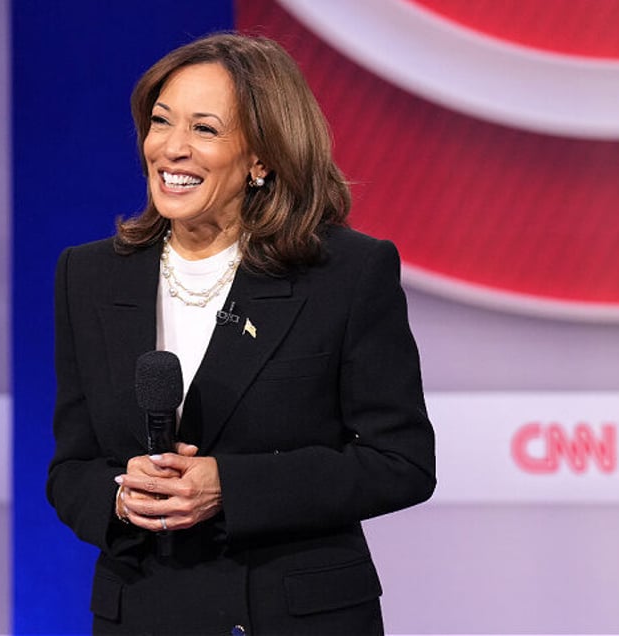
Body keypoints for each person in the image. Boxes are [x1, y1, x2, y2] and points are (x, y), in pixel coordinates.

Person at [47, 32, 436, 635]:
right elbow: (70, 468)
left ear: (262, 157)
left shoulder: (345, 274)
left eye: (204, 130)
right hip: (146, 612)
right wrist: (121, 497)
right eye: (160, 122)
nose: (171, 149)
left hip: (293, 616)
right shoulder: (89, 275)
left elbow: (401, 461)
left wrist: (232, 487)